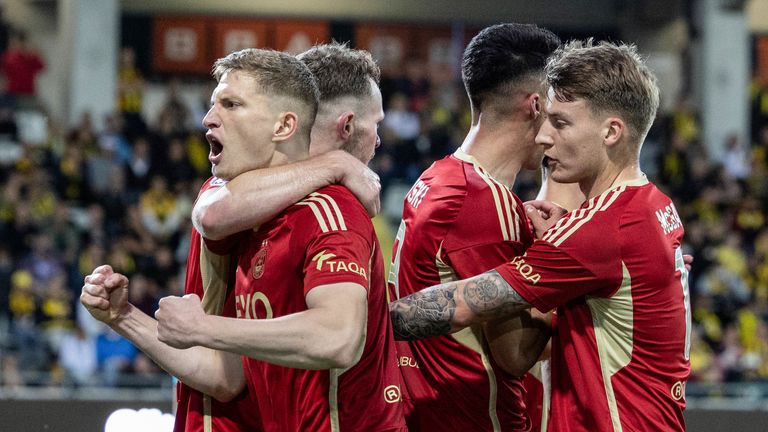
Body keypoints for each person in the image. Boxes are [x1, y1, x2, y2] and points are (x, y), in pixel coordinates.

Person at [83, 46, 405, 432]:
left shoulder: (329, 211)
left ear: (284, 126)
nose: (207, 119)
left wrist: (202, 328)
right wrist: (124, 317)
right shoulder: (237, 207)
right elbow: (224, 375)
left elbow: (338, 337)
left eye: (231, 105)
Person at [389, 40, 691, 431]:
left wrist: (359, 318)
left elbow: (465, 304)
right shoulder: (651, 206)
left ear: (611, 132)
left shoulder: (601, 228)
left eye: (561, 123)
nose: (544, 136)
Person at [386, 23, 560, 431]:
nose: (556, 131)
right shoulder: (485, 200)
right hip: (473, 418)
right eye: (558, 111)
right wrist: (569, 273)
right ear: (535, 106)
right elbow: (514, 354)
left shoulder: (440, 174)